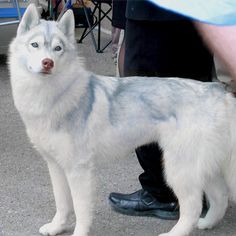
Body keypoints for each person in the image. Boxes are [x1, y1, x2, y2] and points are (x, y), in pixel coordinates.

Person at [109, 0, 213, 220]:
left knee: (144, 100)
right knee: (191, 95)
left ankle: (164, 192)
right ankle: (194, 189)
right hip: (199, 13)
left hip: (155, 14)